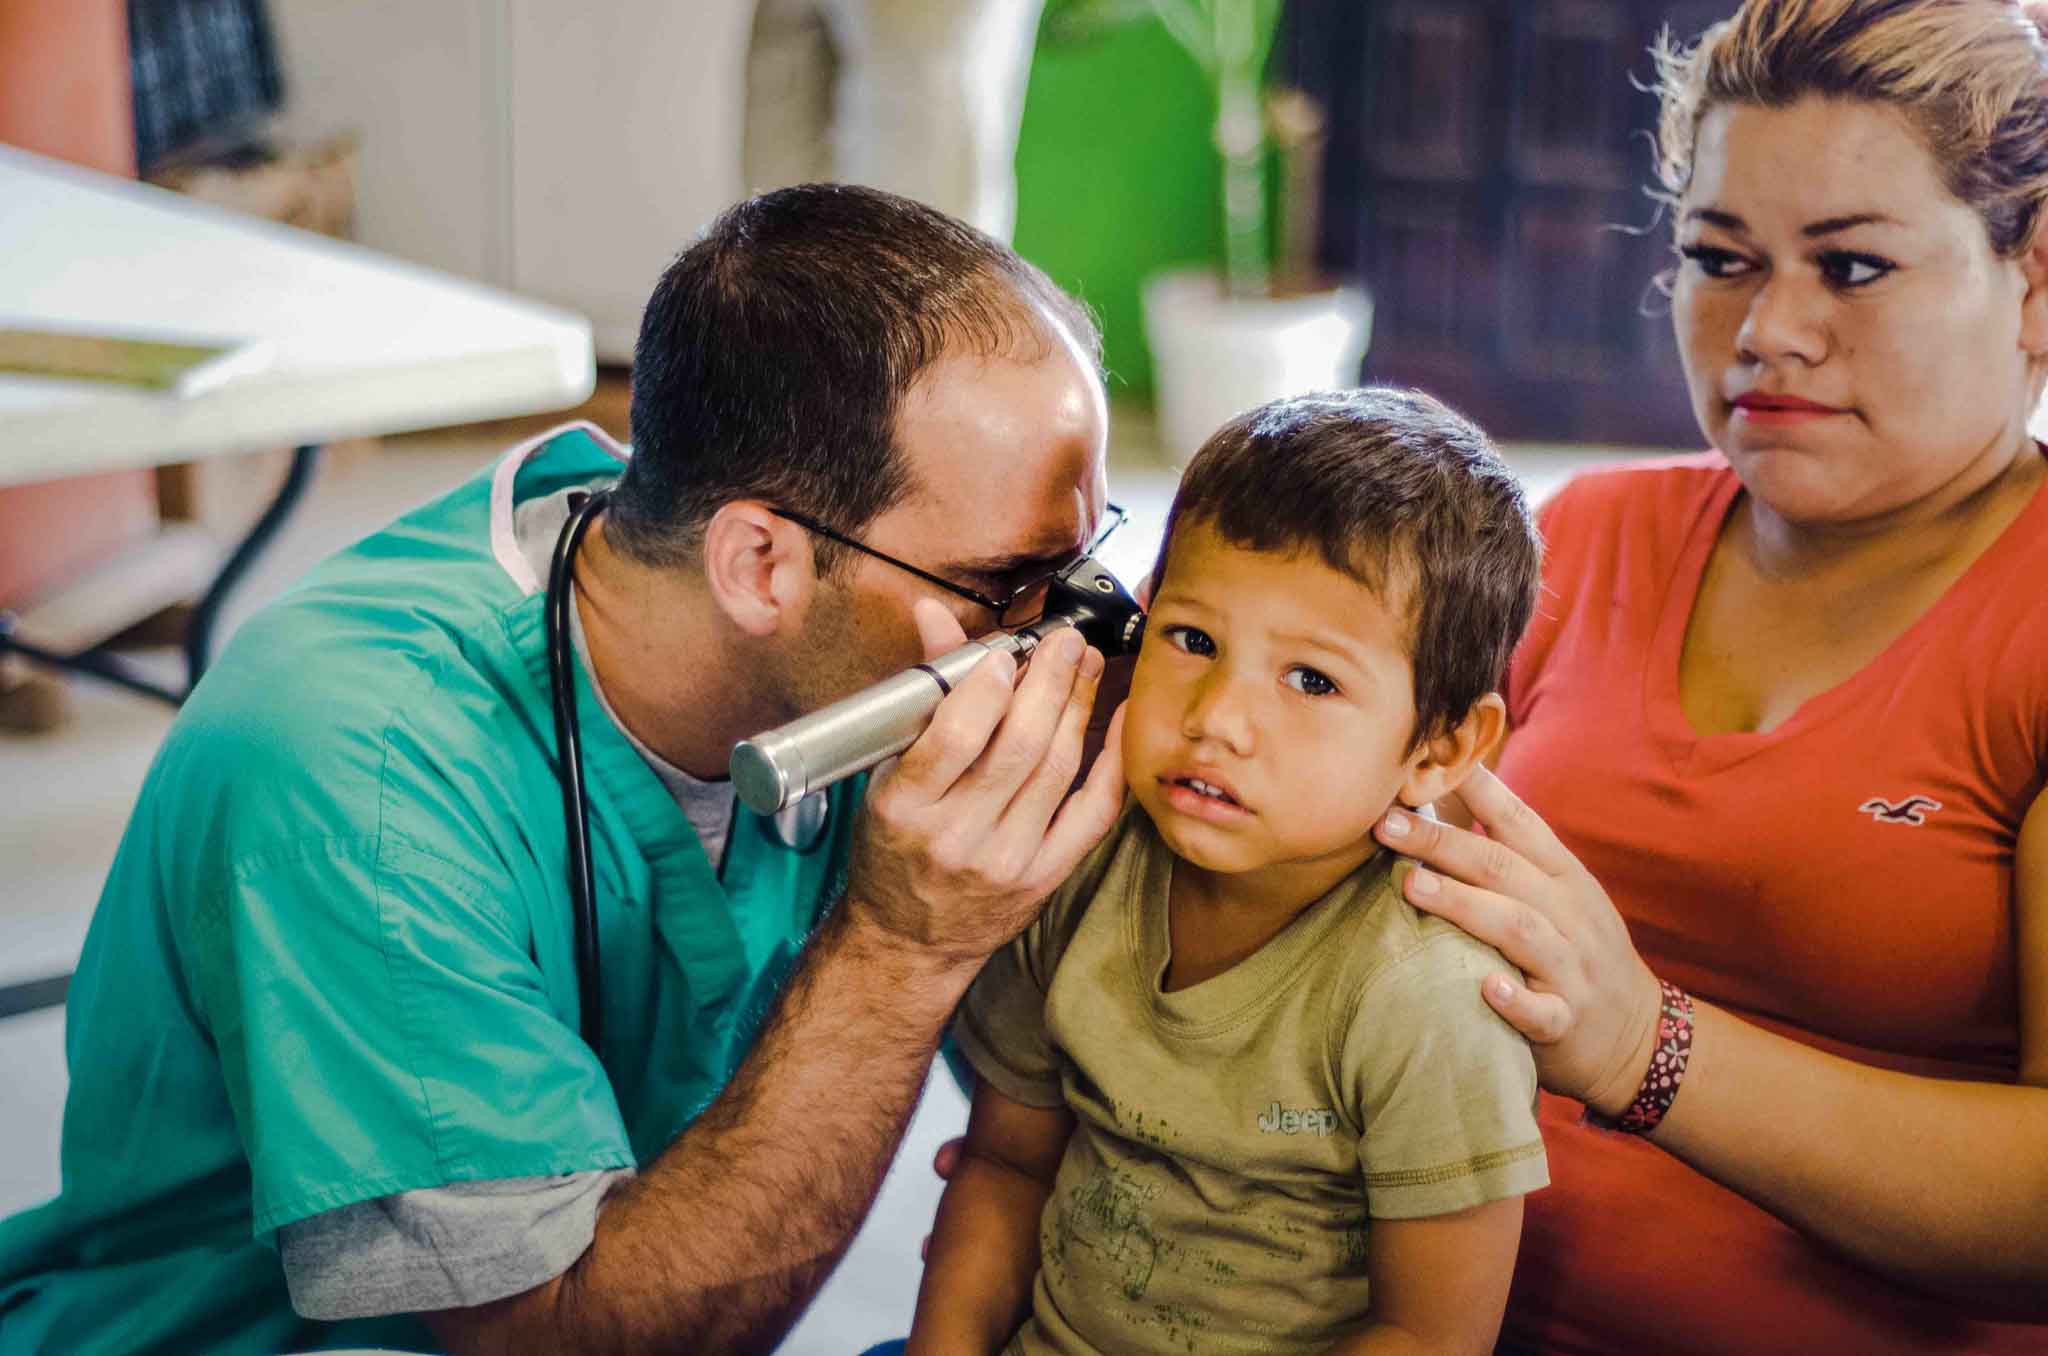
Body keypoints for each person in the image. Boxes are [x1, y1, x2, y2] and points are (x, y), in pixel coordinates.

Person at [0, 183, 1132, 1354]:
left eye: (1088, 559)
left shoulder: (852, 651)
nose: (1062, 628)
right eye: (1010, 585)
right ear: (757, 564)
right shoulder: (358, 776)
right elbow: (557, 1342)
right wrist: (902, 948)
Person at [1359, 2, 2048, 1350]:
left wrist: (1641, 1050)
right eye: (1719, 257)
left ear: (2035, 283)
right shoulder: (1586, 535)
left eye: (1851, 269)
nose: (1767, 329)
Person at [910, 388, 1550, 1355]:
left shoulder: (1430, 998)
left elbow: (1427, 1335)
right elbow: (1004, 1165)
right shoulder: (1074, 868)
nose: (1216, 718)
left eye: (1312, 680)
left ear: (1442, 745)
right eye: (1193, 640)